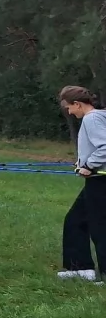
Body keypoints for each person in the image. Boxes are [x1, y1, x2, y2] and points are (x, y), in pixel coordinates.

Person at [58, 86, 106, 282]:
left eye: (69, 107)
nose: (70, 112)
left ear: (77, 104)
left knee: (100, 227)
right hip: (96, 179)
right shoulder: (99, 116)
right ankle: (80, 267)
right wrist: (82, 163)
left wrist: (88, 165)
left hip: (100, 181)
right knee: (75, 220)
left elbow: (105, 146)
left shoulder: (91, 118)